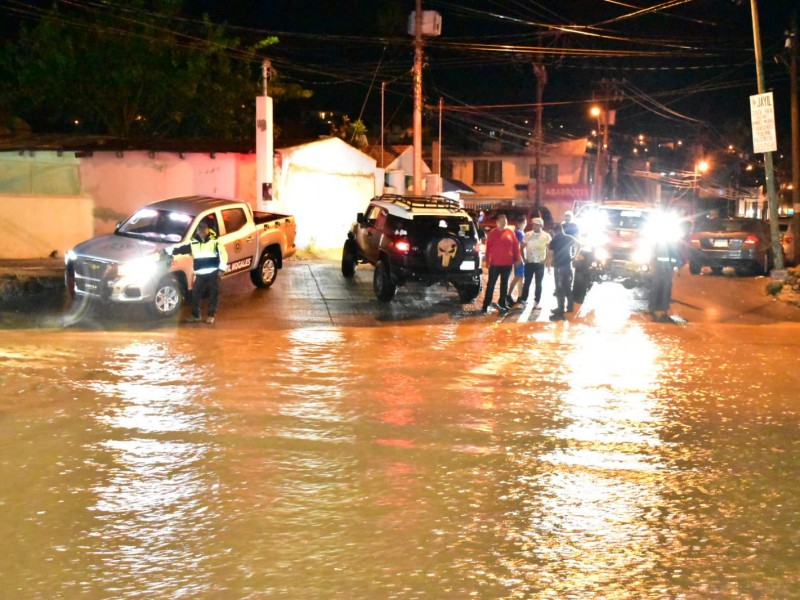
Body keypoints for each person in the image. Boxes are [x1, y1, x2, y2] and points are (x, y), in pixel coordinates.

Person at [168, 220, 228, 324]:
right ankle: (195, 315)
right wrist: (167, 251)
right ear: (197, 231)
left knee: (214, 294)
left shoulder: (215, 241)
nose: (201, 233)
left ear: (207, 230)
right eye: (199, 231)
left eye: (203, 230)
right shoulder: (194, 242)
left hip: (213, 273)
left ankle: (211, 315)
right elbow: (181, 249)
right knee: (195, 294)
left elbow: (223, 255)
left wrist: (222, 269)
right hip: (200, 274)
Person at [481, 214, 521, 313]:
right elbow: (488, 248)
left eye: (505, 222)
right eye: (502, 222)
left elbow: (516, 247)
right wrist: (487, 261)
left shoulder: (510, 233)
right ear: (497, 222)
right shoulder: (492, 233)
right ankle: (486, 305)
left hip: (507, 264)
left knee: (504, 285)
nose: (504, 224)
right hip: (495, 264)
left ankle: (502, 303)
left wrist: (518, 259)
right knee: (491, 284)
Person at [546, 223, 580, 321]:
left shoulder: (554, 240)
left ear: (554, 231)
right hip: (567, 266)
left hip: (559, 267)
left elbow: (550, 254)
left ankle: (560, 312)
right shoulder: (568, 237)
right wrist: (575, 256)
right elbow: (579, 244)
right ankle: (570, 307)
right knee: (567, 286)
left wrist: (548, 265)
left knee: (559, 289)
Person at [520, 217, 551, 309]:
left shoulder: (546, 236)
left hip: (540, 263)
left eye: (537, 225)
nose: (535, 226)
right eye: (534, 224)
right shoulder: (528, 234)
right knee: (526, 283)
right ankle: (523, 301)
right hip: (529, 262)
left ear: (541, 226)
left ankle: (536, 302)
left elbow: (550, 249)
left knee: (539, 284)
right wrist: (524, 259)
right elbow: (521, 248)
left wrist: (545, 261)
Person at [649, 237, 681, 322]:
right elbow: (651, 256)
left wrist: (677, 266)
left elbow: (677, 258)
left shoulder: (669, 245)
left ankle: (662, 308)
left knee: (664, 288)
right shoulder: (657, 244)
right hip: (660, 269)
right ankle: (654, 308)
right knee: (657, 288)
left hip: (665, 270)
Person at [507, 216, 527, 305]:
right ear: (523, 223)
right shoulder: (519, 233)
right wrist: (519, 258)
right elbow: (518, 247)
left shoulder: (517, 232)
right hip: (519, 258)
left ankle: (520, 296)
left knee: (520, 277)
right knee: (518, 277)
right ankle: (508, 295)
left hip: (517, 258)